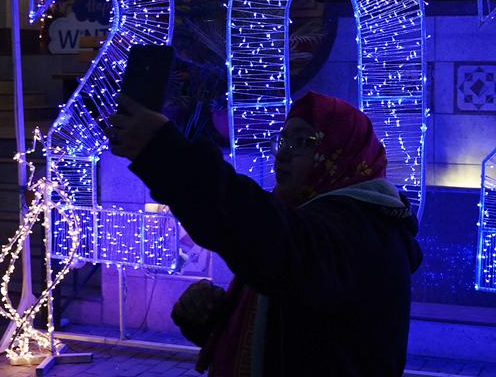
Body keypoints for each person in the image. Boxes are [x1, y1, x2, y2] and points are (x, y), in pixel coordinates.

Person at [107, 91, 423, 377]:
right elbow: (299, 338)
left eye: (304, 142)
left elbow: (265, 236)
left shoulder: (360, 231)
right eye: (283, 141)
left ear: (342, 153)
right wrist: (218, 319)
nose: (283, 154)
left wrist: (166, 153)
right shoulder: (317, 223)